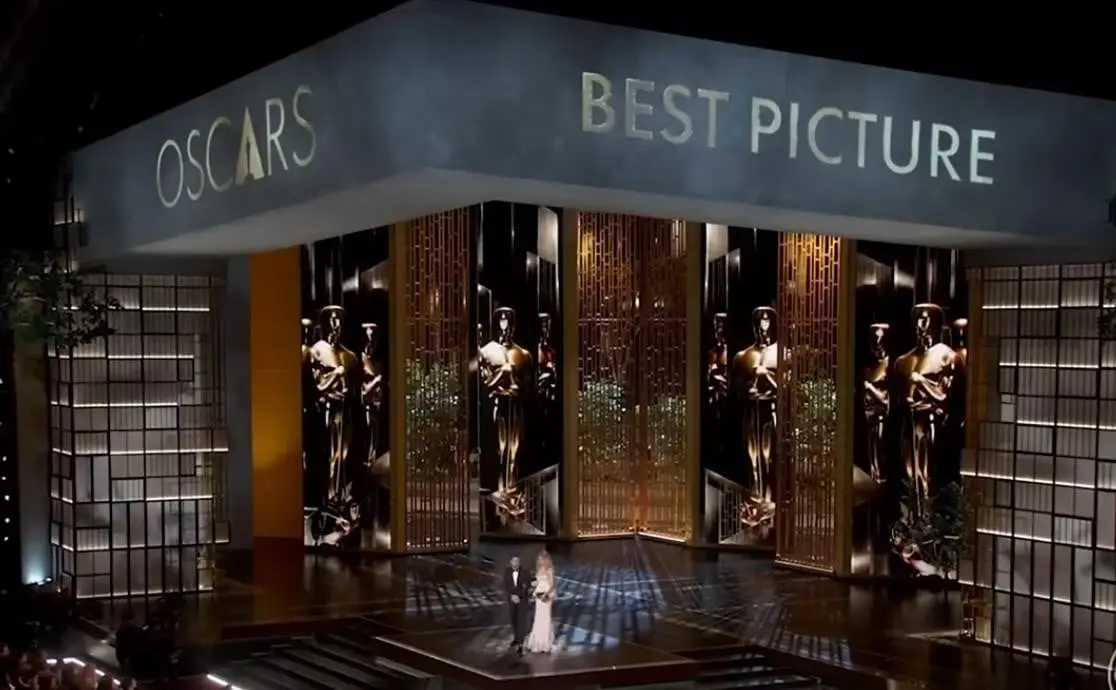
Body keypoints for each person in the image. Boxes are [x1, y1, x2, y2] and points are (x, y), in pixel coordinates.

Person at [523, 551, 556, 654]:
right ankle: (537, 642)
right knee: (538, 618)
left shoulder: (549, 570)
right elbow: (539, 581)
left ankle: (545, 643)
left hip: (546, 596)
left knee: (545, 618)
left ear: (546, 560)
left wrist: (546, 594)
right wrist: (532, 585)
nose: (541, 562)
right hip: (539, 595)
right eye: (539, 560)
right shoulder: (540, 570)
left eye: (542, 560)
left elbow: (552, 584)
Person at [502, 556, 532, 654]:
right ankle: (516, 638)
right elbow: (505, 585)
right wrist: (512, 595)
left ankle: (521, 643)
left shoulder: (525, 573)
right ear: (510, 562)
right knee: (513, 620)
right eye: (513, 561)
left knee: (521, 621)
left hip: (522, 600)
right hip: (511, 600)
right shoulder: (507, 572)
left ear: (519, 563)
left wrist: (519, 596)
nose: (515, 563)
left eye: (517, 561)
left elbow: (528, 586)